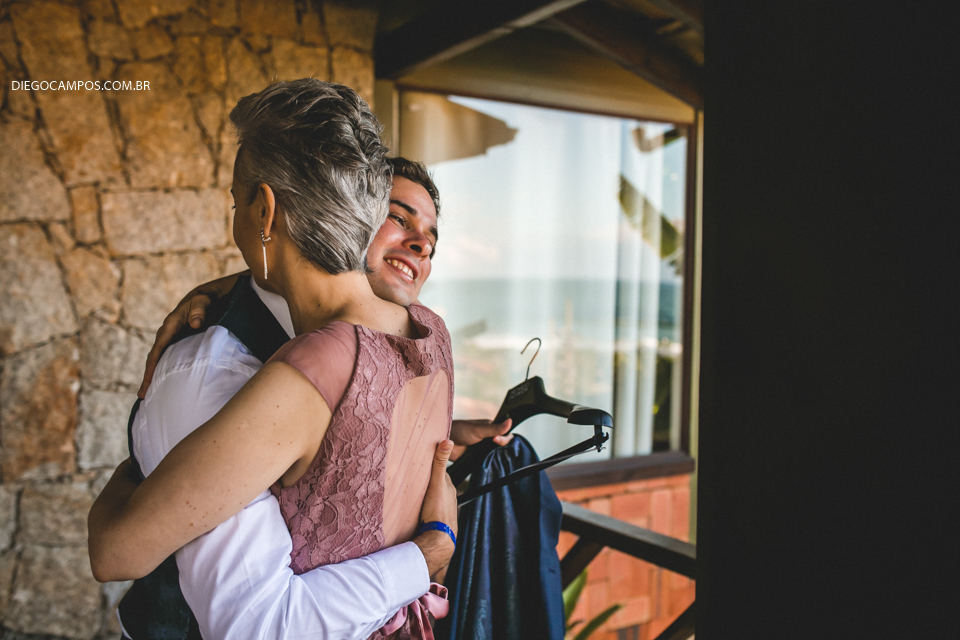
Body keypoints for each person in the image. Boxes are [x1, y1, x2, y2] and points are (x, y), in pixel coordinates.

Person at [87, 80, 467, 640]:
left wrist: (141, 466)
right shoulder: (432, 334)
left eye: (239, 201)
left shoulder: (301, 369)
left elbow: (114, 553)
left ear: (264, 210)